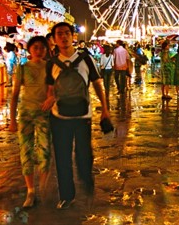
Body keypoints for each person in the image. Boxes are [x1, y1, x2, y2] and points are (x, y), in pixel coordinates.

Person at [41, 22, 111, 209]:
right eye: (59, 34)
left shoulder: (86, 59)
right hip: (59, 116)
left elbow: (97, 84)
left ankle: (87, 182)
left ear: (73, 36)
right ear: (54, 39)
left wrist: (105, 108)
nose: (63, 37)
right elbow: (50, 88)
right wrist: (49, 99)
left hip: (82, 117)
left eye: (66, 33)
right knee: (62, 157)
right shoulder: (51, 64)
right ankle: (66, 195)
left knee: (84, 155)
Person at [9, 36, 51, 208]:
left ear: (46, 50)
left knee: (45, 152)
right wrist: (12, 118)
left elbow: (52, 90)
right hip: (25, 113)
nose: (39, 50)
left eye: (42, 47)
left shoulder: (50, 67)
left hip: (43, 114)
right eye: (35, 47)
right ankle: (30, 190)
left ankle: (42, 186)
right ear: (30, 49)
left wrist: (52, 99)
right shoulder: (22, 68)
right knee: (25, 152)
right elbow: (15, 94)